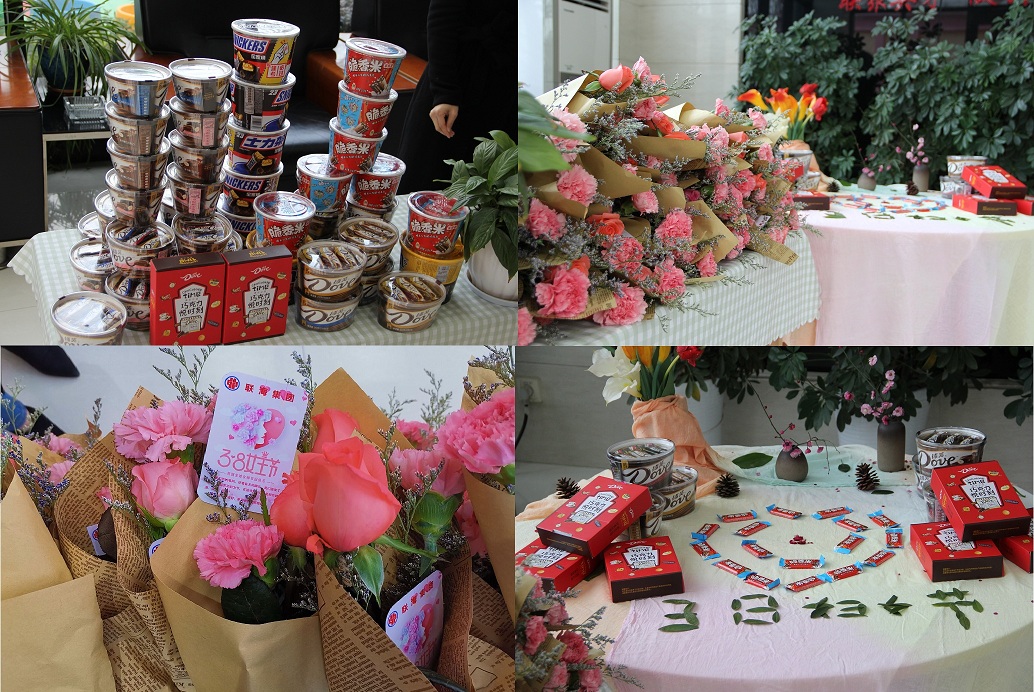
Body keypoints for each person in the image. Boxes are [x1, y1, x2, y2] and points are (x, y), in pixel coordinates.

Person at [397, 0, 516, 193]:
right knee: (426, 182)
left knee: (491, 193)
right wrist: (444, 91)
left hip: (505, 88)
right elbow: (441, 20)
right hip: (455, 80)